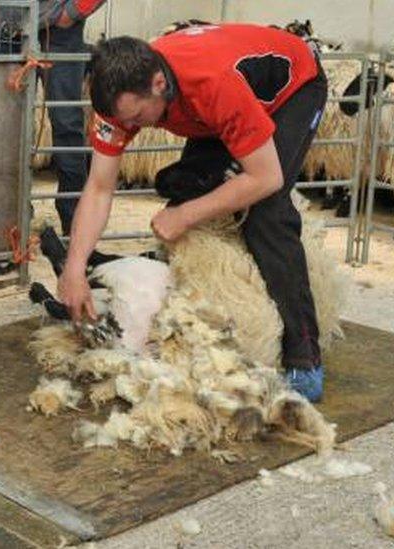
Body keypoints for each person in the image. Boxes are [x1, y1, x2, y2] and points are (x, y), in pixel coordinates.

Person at [58, 23, 328, 402]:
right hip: (216, 103)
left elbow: (265, 177)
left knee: (266, 210)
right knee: (187, 187)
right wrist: (74, 266)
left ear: (157, 83)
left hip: (294, 89)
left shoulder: (211, 83)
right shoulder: (116, 102)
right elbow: (100, 187)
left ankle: (305, 357)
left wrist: (185, 216)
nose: (131, 128)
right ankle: (189, 322)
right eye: (126, 121)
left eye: (137, 119)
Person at [0, 0, 105, 234]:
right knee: (5, 121)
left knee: (66, 120)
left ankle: (75, 224)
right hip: (9, 26)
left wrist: (71, 12)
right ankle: (10, 219)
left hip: (60, 27)